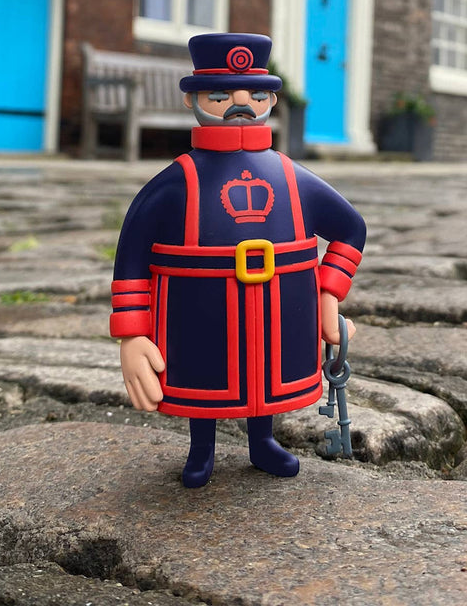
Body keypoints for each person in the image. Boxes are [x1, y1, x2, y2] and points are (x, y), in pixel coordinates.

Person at [110, 33, 366, 487]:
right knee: (204, 373)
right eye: (220, 94)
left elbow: (350, 228)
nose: (240, 104)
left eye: (257, 93)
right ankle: (201, 448)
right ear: (193, 98)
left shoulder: (292, 176)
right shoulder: (175, 183)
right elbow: (131, 257)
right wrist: (131, 337)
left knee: (263, 376)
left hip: (278, 312)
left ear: (271, 98)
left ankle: (262, 442)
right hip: (200, 310)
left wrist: (328, 295)